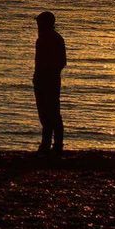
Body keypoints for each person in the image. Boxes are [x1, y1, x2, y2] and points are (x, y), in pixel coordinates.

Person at [33, 10, 67, 153]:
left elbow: (61, 62)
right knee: (46, 113)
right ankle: (49, 144)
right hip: (44, 80)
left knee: (51, 113)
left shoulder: (51, 39)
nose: (37, 26)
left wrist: (48, 73)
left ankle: (55, 145)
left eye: (39, 23)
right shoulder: (46, 39)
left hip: (48, 80)